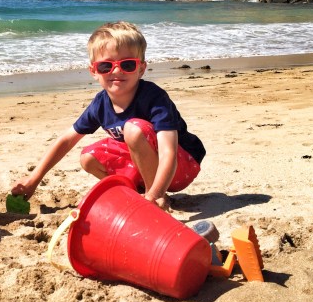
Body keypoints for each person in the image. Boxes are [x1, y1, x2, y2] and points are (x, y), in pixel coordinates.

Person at [11, 21, 205, 211]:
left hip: (182, 165)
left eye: (127, 64)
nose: (117, 70)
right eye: (106, 66)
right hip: (147, 165)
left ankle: (152, 196)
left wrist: (157, 194)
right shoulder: (101, 104)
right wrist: (34, 179)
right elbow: (67, 140)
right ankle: (134, 194)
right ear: (94, 71)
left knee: (133, 129)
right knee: (88, 157)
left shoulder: (154, 98)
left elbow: (168, 152)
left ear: (141, 69)